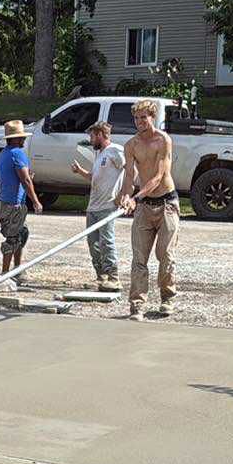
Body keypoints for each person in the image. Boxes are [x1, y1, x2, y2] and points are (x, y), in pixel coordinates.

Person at [115, 99, 178, 319]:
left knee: (165, 255)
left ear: (152, 117)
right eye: (136, 118)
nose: (140, 122)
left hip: (166, 204)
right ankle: (137, 305)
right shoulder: (131, 145)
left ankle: (167, 297)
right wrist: (125, 196)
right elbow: (130, 176)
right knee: (139, 258)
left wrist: (136, 197)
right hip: (144, 206)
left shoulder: (163, 140)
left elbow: (158, 176)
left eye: (144, 117)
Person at [72, 119, 124, 293]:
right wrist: (80, 172)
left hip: (107, 205)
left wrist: (123, 194)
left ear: (101, 135)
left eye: (92, 136)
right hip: (93, 206)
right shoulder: (100, 154)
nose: (91, 139)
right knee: (92, 243)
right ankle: (101, 276)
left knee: (106, 242)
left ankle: (114, 277)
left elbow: (131, 169)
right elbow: (94, 177)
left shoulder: (115, 151)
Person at [0, 119, 42, 282]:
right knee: (13, 237)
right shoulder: (17, 153)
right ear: (13, 139)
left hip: (6, 202)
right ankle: (6, 274)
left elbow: (16, 176)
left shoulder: (3, 153)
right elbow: (25, 180)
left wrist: (27, 178)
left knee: (20, 233)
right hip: (14, 204)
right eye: (21, 137)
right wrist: (35, 200)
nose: (23, 140)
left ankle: (16, 269)